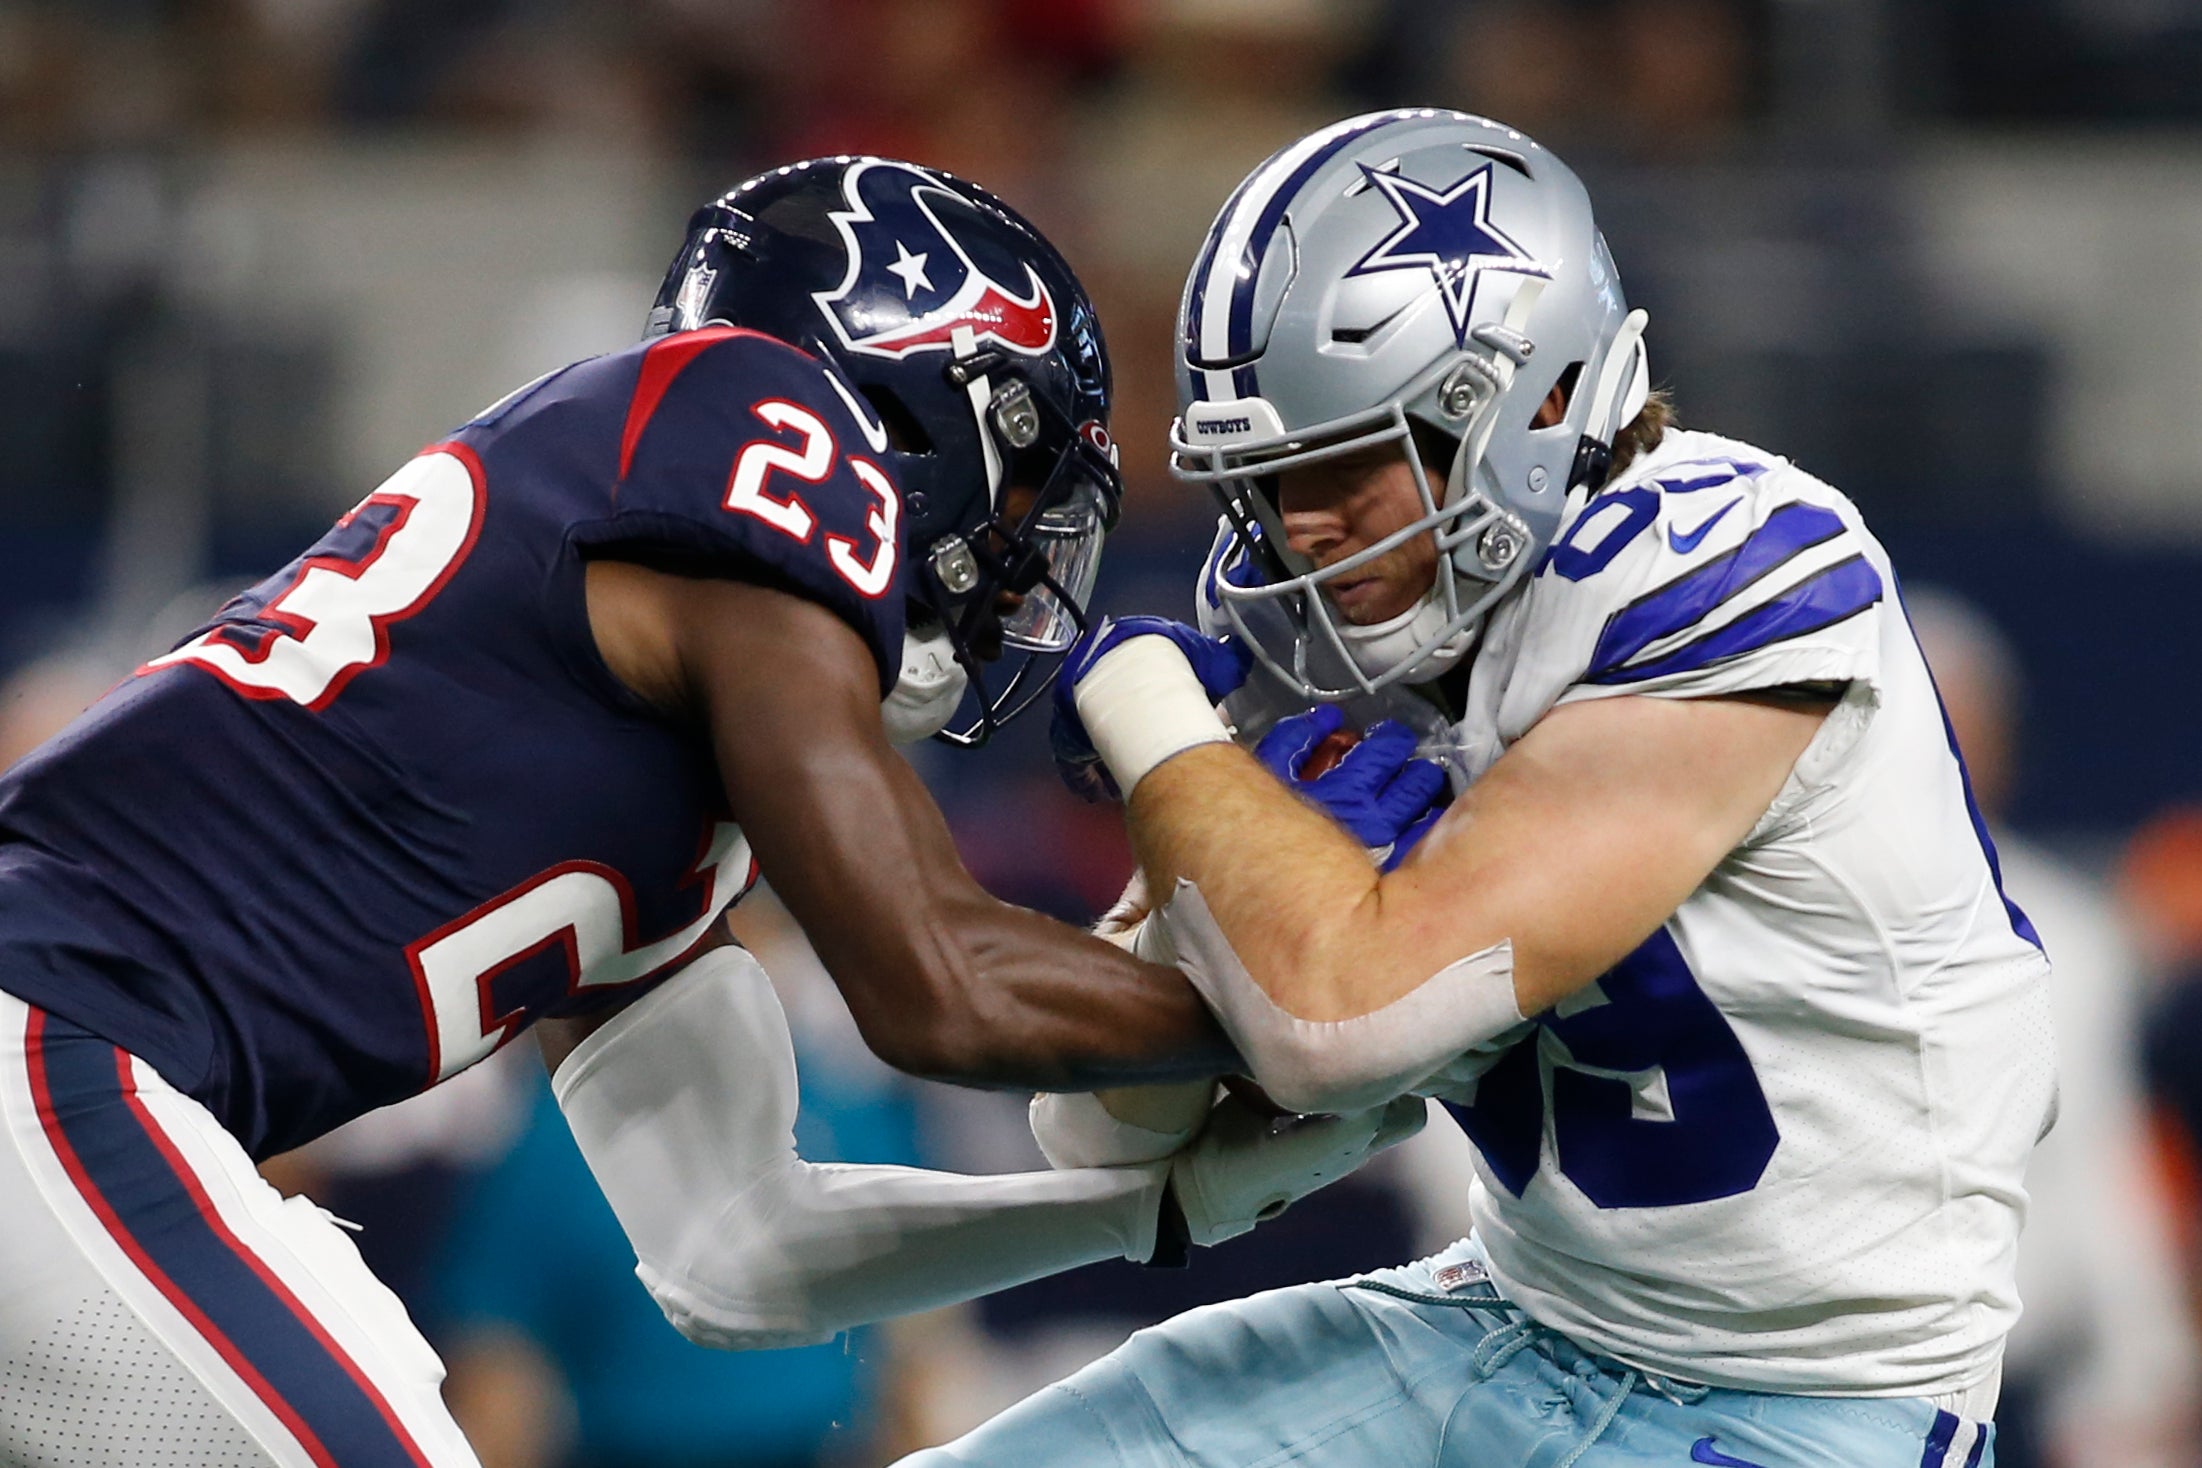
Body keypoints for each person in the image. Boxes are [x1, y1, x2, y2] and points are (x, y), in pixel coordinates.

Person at [0, 156, 1420, 1467]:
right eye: (1026, 480)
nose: (1017, 557)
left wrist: (1144, 1207)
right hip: (53, 1036)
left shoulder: (637, 776)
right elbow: (939, 983)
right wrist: (1325, 994)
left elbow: (739, 1256)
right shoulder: (758, 418)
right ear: (929, 406)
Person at [911, 109, 2057, 1467]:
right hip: (1507, 1320)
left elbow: (1342, 1018)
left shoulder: (1735, 560)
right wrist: (1219, 907)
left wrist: (1163, 735)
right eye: (1267, 485)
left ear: (1534, 397)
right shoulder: (1328, 616)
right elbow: (1098, 1128)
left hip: (1806, 1408)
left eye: (1342, 463)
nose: (1301, 532)